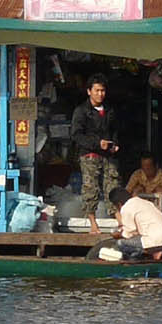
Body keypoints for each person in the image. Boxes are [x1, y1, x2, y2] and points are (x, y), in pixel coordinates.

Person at [71, 75, 120, 232]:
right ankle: (93, 223)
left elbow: (114, 130)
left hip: (108, 155)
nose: (100, 94)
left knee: (112, 185)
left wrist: (115, 144)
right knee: (90, 187)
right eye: (97, 90)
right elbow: (76, 135)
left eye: (103, 90)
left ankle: (119, 218)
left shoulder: (110, 110)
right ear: (89, 91)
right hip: (89, 155)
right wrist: (96, 143)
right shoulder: (81, 111)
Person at [109, 187, 162, 260]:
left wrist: (118, 234)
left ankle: (142, 255)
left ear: (119, 204)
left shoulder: (126, 208)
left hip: (156, 240)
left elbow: (129, 233)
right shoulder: (144, 202)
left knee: (120, 243)